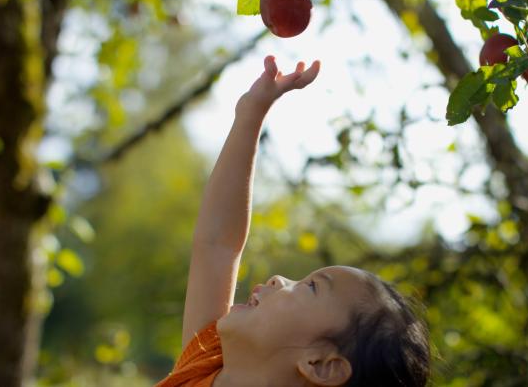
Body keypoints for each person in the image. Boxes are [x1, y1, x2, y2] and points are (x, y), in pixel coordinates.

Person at [156, 55, 430, 387]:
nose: (277, 279)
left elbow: (218, 247)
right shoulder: (204, 366)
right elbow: (217, 246)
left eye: (311, 287)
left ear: (321, 364)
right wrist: (250, 116)